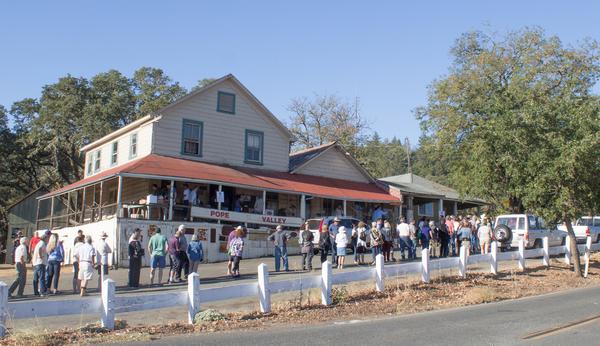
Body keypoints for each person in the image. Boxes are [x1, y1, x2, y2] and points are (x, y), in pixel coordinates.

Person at [32, 230, 50, 297]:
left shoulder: (39, 243)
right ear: (45, 238)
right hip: (40, 263)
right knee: (42, 277)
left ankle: (36, 291)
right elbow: (40, 249)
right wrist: (41, 256)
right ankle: (42, 292)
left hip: (36, 263)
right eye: (47, 238)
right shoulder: (42, 243)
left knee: (36, 278)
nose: (48, 239)